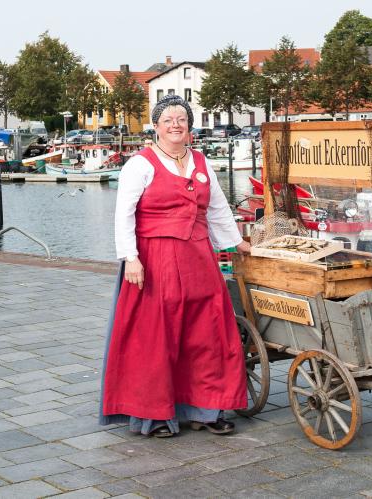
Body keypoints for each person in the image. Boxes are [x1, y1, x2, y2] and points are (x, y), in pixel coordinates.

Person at [100, 95, 250, 438]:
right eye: (168, 119)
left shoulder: (201, 161)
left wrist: (237, 243)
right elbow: (124, 214)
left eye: (181, 119)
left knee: (206, 334)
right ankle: (154, 416)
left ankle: (206, 410)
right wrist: (131, 257)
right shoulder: (140, 164)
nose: (175, 125)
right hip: (155, 259)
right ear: (156, 126)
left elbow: (217, 209)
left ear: (189, 126)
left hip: (199, 258)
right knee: (157, 336)